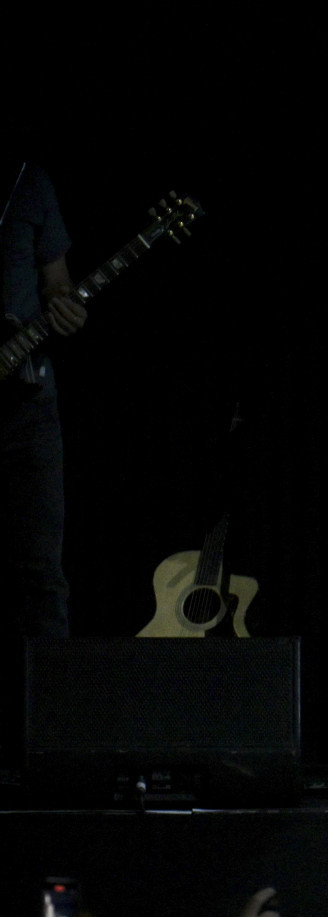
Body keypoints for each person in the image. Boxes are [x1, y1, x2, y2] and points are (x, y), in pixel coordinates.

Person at [1, 161, 87, 766]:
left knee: (42, 576)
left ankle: (52, 743)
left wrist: (67, 307)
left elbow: (56, 281)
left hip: (30, 403)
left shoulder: (30, 182)